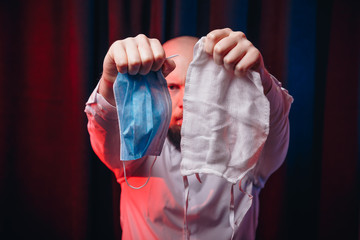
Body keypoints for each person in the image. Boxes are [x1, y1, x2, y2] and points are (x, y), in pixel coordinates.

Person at [85, 28, 293, 239]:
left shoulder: (246, 151)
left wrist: (263, 81)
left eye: (197, 87)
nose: (185, 101)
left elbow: (275, 121)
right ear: (154, 89)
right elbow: (105, 125)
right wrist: (110, 83)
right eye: (173, 87)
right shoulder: (138, 148)